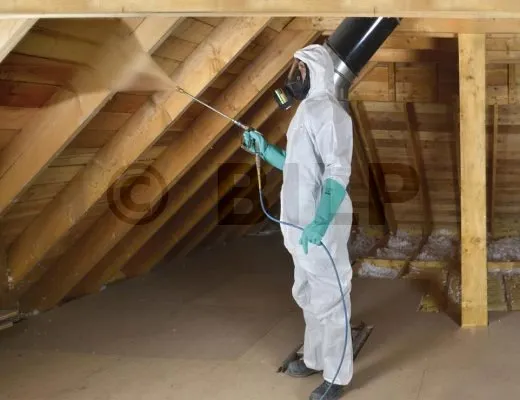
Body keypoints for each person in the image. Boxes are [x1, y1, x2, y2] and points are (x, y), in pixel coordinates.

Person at [242, 44, 354, 400]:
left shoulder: (331, 113)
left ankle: (337, 375)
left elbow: (337, 171)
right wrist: (265, 150)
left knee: (332, 298)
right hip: (297, 223)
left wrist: (321, 221)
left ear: (316, 72)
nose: (295, 77)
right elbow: (297, 163)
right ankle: (316, 357)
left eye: (301, 70)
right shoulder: (306, 110)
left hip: (323, 224)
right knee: (307, 294)